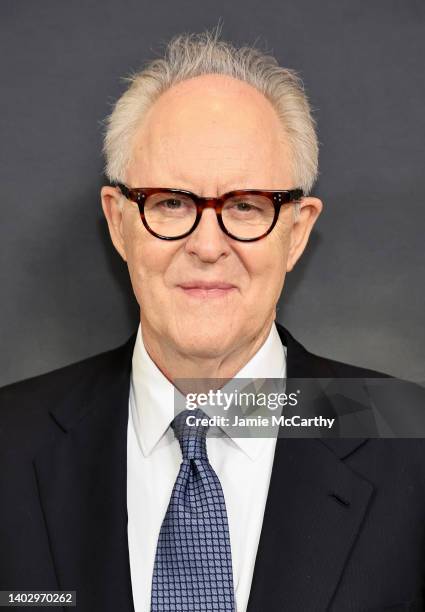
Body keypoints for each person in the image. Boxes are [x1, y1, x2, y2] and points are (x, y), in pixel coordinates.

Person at [1, 30, 424, 612]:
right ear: (119, 221)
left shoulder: (412, 444)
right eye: (171, 202)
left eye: (245, 205)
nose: (206, 245)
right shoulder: (8, 443)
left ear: (296, 232)